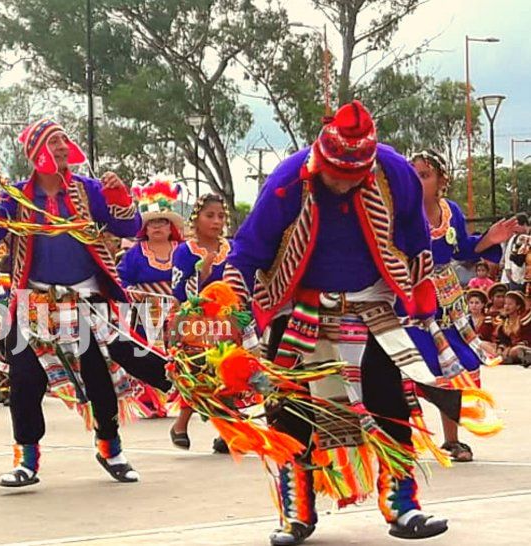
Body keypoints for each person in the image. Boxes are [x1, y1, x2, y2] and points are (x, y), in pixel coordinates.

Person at [223, 102, 493, 544]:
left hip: (371, 307)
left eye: (355, 176)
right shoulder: (289, 178)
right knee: (289, 411)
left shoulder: (394, 172)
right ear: (319, 161)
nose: (346, 182)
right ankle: (297, 513)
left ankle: (403, 508)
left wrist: (418, 299)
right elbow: (249, 249)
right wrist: (229, 307)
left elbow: (413, 239)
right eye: (337, 175)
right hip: (298, 307)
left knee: (392, 407)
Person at [0, 118, 172, 488]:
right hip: (34, 300)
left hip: (86, 299)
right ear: (35, 153)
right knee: (25, 380)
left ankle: (111, 449)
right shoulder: (15, 196)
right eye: (53, 142)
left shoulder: (87, 190)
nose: (63, 147)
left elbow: (127, 229)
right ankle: (26, 460)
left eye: (65, 141)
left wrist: (119, 198)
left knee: (99, 378)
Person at [401, 149, 519, 461]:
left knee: (457, 362)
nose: (417, 180)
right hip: (412, 298)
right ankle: (400, 439)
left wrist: (491, 239)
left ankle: (451, 440)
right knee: (410, 364)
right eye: (412, 174)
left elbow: (464, 249)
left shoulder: (450, 210)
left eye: (424, 174)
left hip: (448, 301)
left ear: (442, 179)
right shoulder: (401, 213)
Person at [169, 192, 234, 452]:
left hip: (228, 322)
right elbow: (178, 290)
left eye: (220, 216)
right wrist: (203, 272)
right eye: (210, 216)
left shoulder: (233, 249)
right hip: (195, 324)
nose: (216, 222)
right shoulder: (186, 252)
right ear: (196, 220)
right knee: (198, 374)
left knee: (229, 374)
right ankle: (181, 424)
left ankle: (227, 432)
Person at [117, 179, 185, 419]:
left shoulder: (183, 249)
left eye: (162, 222)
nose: (157, 227)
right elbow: (120, 279)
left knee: (181, 354)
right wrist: (132, 291)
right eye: (152, 223)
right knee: (146, 354)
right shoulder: (135, 253)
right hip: (148, 314)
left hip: (180, 313)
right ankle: (151, 401)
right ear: (144, 228)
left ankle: (185, 396)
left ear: (170, 227)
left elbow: (194, 276)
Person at [494, 291, 531, 365]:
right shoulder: (503, 322)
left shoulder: (524, 321)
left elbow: (527, 340)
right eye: (505, 304)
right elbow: (503, 341)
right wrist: (500, 349)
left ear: (518, 306)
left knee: (516, 350)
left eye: (510, 304)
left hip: (524, 347)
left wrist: (510, 349)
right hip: (509, 349)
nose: (506, 307)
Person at [501, 214, 528, 291]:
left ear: (524, 224)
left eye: (517, 226)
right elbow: (508, 258)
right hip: (515, 278)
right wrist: (509, 274)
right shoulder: (514, 238)